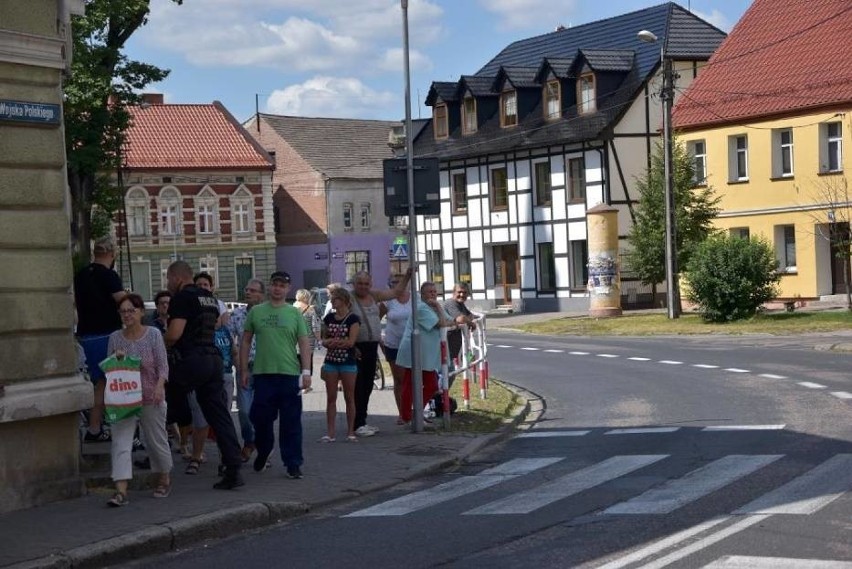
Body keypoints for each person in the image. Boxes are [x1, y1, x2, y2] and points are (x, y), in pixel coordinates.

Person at [164, 260, 244, 490]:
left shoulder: (182, 297)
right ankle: (233, 467)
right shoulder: (209, 298)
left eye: (169, 279)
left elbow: (174, 334)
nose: (168, 284)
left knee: (163, 400)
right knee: (219, 415)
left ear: (177, 277)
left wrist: (159, 344)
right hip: (213, 360)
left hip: (191, 359)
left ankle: (172, 442)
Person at [239, 271, 312, 479]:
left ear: (288, 289)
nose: (278, 288)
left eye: (282, 285)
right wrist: (244, 370)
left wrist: (306, 372)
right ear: (270, 287)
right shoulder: (257, 312)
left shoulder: (294, 313)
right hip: (263, 375)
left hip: (289, 374)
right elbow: (245, 341)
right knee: (259, 418)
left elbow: (304, 342)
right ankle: (264, 449)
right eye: (275, 284)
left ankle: (293, 463)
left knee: (291, 422)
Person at [105, 293, 172, 506]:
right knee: (121, 443)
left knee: (155, 441)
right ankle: (121, 490)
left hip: (150, 396)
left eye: (131, 311)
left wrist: (160, 386)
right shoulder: (115, 337)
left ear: (141, 312)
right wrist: (118, 359)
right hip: (124, 398)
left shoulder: (152, 334)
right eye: (123, 311)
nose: (127, 315)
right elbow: (110, 368)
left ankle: (163, 477)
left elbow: (163, 366)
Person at [349, 268, 412, 437]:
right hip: (356, 348)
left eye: (366, 283)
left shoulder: (374, 295)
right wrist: (350, 345)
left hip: (371, 347)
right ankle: (357, 423)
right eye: (360, 283)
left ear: (371, 284)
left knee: (368, 384)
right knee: (358, 386)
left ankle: (362, 421)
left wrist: (407, 276)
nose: (363, 287)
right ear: (354, 284)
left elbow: (396, 292)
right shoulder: (349, 298)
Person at [75, 236, 125, 442]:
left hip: (86, 335)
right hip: (108, 335)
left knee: (99, 382)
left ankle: (95, 427)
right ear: (112, 254)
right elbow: (124, 303)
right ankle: (102, 428)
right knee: (111, 383)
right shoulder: (109, 276)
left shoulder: (81, 275)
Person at [395, 281, 454, 425]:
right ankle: (407, 416)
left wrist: (461, 320)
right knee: (411, 383)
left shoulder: (432, 307)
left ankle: (415, 412)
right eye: (430, 292)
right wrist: (440, 308)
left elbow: (450, 321)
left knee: (430, 384)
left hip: (424, 354)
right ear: (422, 294)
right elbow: (441, 323)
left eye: (435, 291)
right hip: (414, 351)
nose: (433, 294)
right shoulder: (421, 308)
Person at [228, 278, 266, 463]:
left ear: (261, 294)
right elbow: (229, 340)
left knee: (263, 412)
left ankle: (263, 447)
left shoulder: (269, 314)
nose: (248, 292)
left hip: (266, 370)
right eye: (246, 289)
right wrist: (238, 363)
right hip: (245, 369)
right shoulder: (237, 314)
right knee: (244, 411)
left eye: (253, 290)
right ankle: (250, 441)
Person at [319, 287, 360, 442]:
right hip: (331, 361)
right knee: (331, 398)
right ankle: (330, 433)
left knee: (349, 397)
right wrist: (330, 342)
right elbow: (324, 339)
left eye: (335, 298)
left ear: (343, 300)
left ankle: (351, 432)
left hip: (348, 362)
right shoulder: (328, 318)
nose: (331, 301)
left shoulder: (353, 319)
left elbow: (351, 342)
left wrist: (336, 342)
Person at [380, 275, 411, 424]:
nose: (398, 285)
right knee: (400, 380)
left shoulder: (415, 298)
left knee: (413, 379)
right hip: (393, 344)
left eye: (400, 282)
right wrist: (379, 340)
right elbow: (376, 319)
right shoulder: (388, 300)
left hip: (412, 345)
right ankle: (402, 414)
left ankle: (415, 411)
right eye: (394, 282)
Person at [442, 282, 477, 377]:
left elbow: (470, 315)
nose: (462, 295)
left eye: (465, 292)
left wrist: (467, 320)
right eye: (459, 292)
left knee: (449, 374)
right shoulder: (451, 303)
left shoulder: (460, 304)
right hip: (444, 346)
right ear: (453, 292)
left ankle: (441, 392)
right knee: (447, 375)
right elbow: (461, 319)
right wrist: (471, 324)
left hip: (451, 348)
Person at [293, 288, 322, 375]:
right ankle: (305, 384)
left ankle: (296, 382)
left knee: (295, 362)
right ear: (306, 297)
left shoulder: (291, 308)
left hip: (294, 341)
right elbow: (315, 327)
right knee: (307, 362)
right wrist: (319, 339)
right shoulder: (310, 309)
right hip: (308, 341)